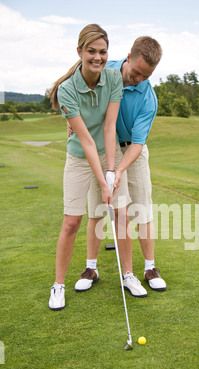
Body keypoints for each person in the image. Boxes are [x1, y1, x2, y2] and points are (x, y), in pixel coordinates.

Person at [75, 36, 167, 297]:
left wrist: (118, 170)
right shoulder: (104, 66)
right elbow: (73, 83)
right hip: (102, 148)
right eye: (136, 73)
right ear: (128, 57)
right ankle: (91, 268)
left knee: (142, 210)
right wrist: (70, 118)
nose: (138, 79)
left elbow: (138, 144)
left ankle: (149, 268)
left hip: (132, 151)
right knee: (96, 208)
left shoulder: (148, 97)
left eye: (145, 76)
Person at [48, 24, 131, 311]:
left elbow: (110, 127)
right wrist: (103, 179)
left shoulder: (112, 78)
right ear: (80, 52)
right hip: (80, 158)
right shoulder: (66, 90)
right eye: (91, 51)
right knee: (72, 222)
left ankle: (128, 274)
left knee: (120, 214)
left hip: (109, 154)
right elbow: (85, 140)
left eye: (103, 51)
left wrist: (110, 172)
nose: (98, 57)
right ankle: (58, 285)